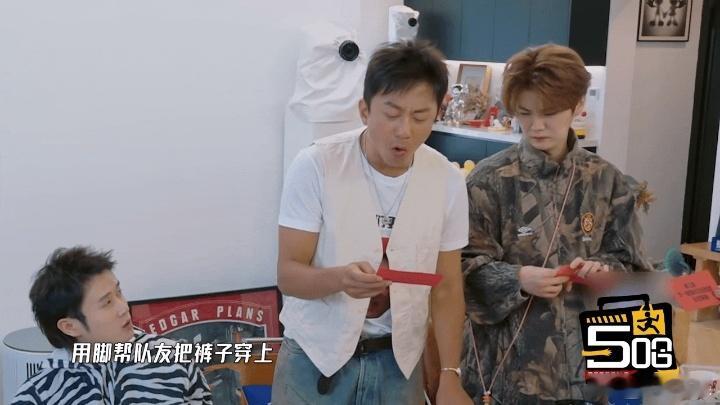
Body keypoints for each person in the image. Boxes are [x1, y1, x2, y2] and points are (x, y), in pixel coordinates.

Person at [273, 40, 472, 404]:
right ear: (364, 110)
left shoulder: (447, 180)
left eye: (420, 117)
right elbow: (288, 275)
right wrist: (339, 279)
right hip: (315, 359)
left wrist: (449, 373)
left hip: (398, 365)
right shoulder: (318, 165)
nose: (404, 130)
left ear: (437, 115)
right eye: (392, 114)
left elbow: (446, 288)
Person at [460, 44, 652, 404]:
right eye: (525, 113)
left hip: (592, 368)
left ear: (578, 105)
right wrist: (518, 279)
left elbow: (635, 269)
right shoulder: (489, 180)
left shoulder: (606, 180)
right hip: (507, 374)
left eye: (549, 113)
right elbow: (462, 269)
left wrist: (603, 269)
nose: (536, 126)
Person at [11, 246, 212, 404]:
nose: (124, 307)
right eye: (107, 302)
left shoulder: (172, 358)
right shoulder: (40, 394)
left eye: (119, 293)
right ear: (70, 326)